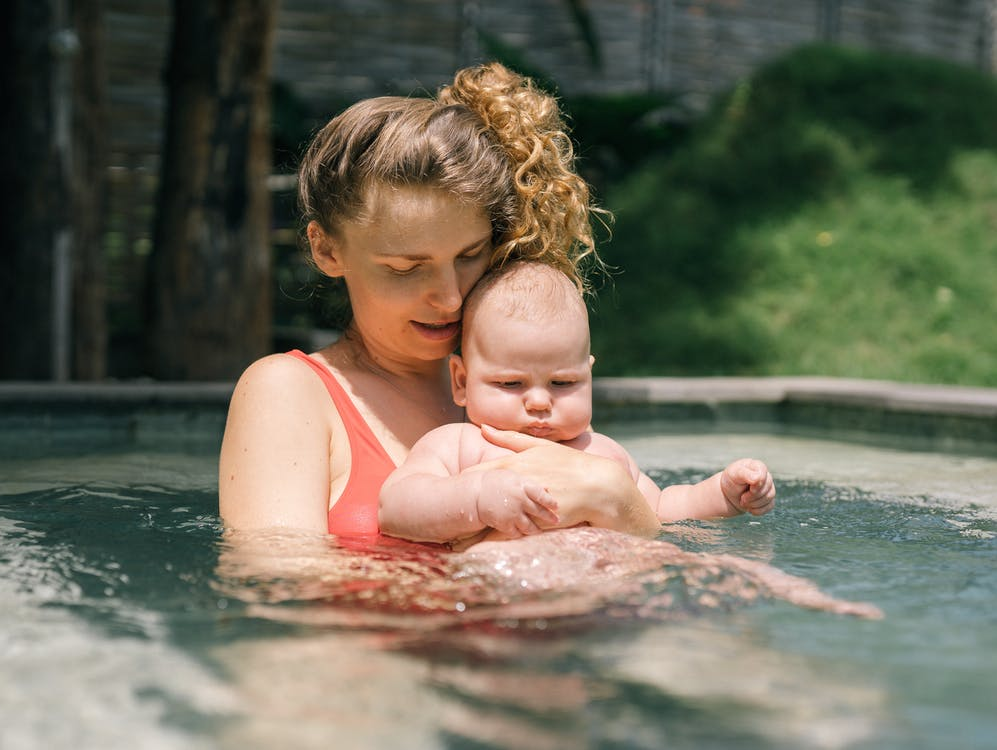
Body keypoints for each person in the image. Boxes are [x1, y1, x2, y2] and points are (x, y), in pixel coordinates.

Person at [219, 62, 660, 540]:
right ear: (327, 249)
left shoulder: (527, 393)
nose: (450, 297)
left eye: (470, 255)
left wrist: (618, 498)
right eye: (406, 268)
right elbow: (279, 589)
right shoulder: (288, 392)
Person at [379, 261, 776, 546]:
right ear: (462, 381)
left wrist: (722, 495)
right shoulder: (458, 444)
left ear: (588, 376)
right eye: (510, 382)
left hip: (602, 604)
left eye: (563, 382)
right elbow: (396, 508)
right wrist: (476, 497)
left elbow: (661, 509)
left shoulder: (602, 453)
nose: (538, 401)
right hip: (498, 604)